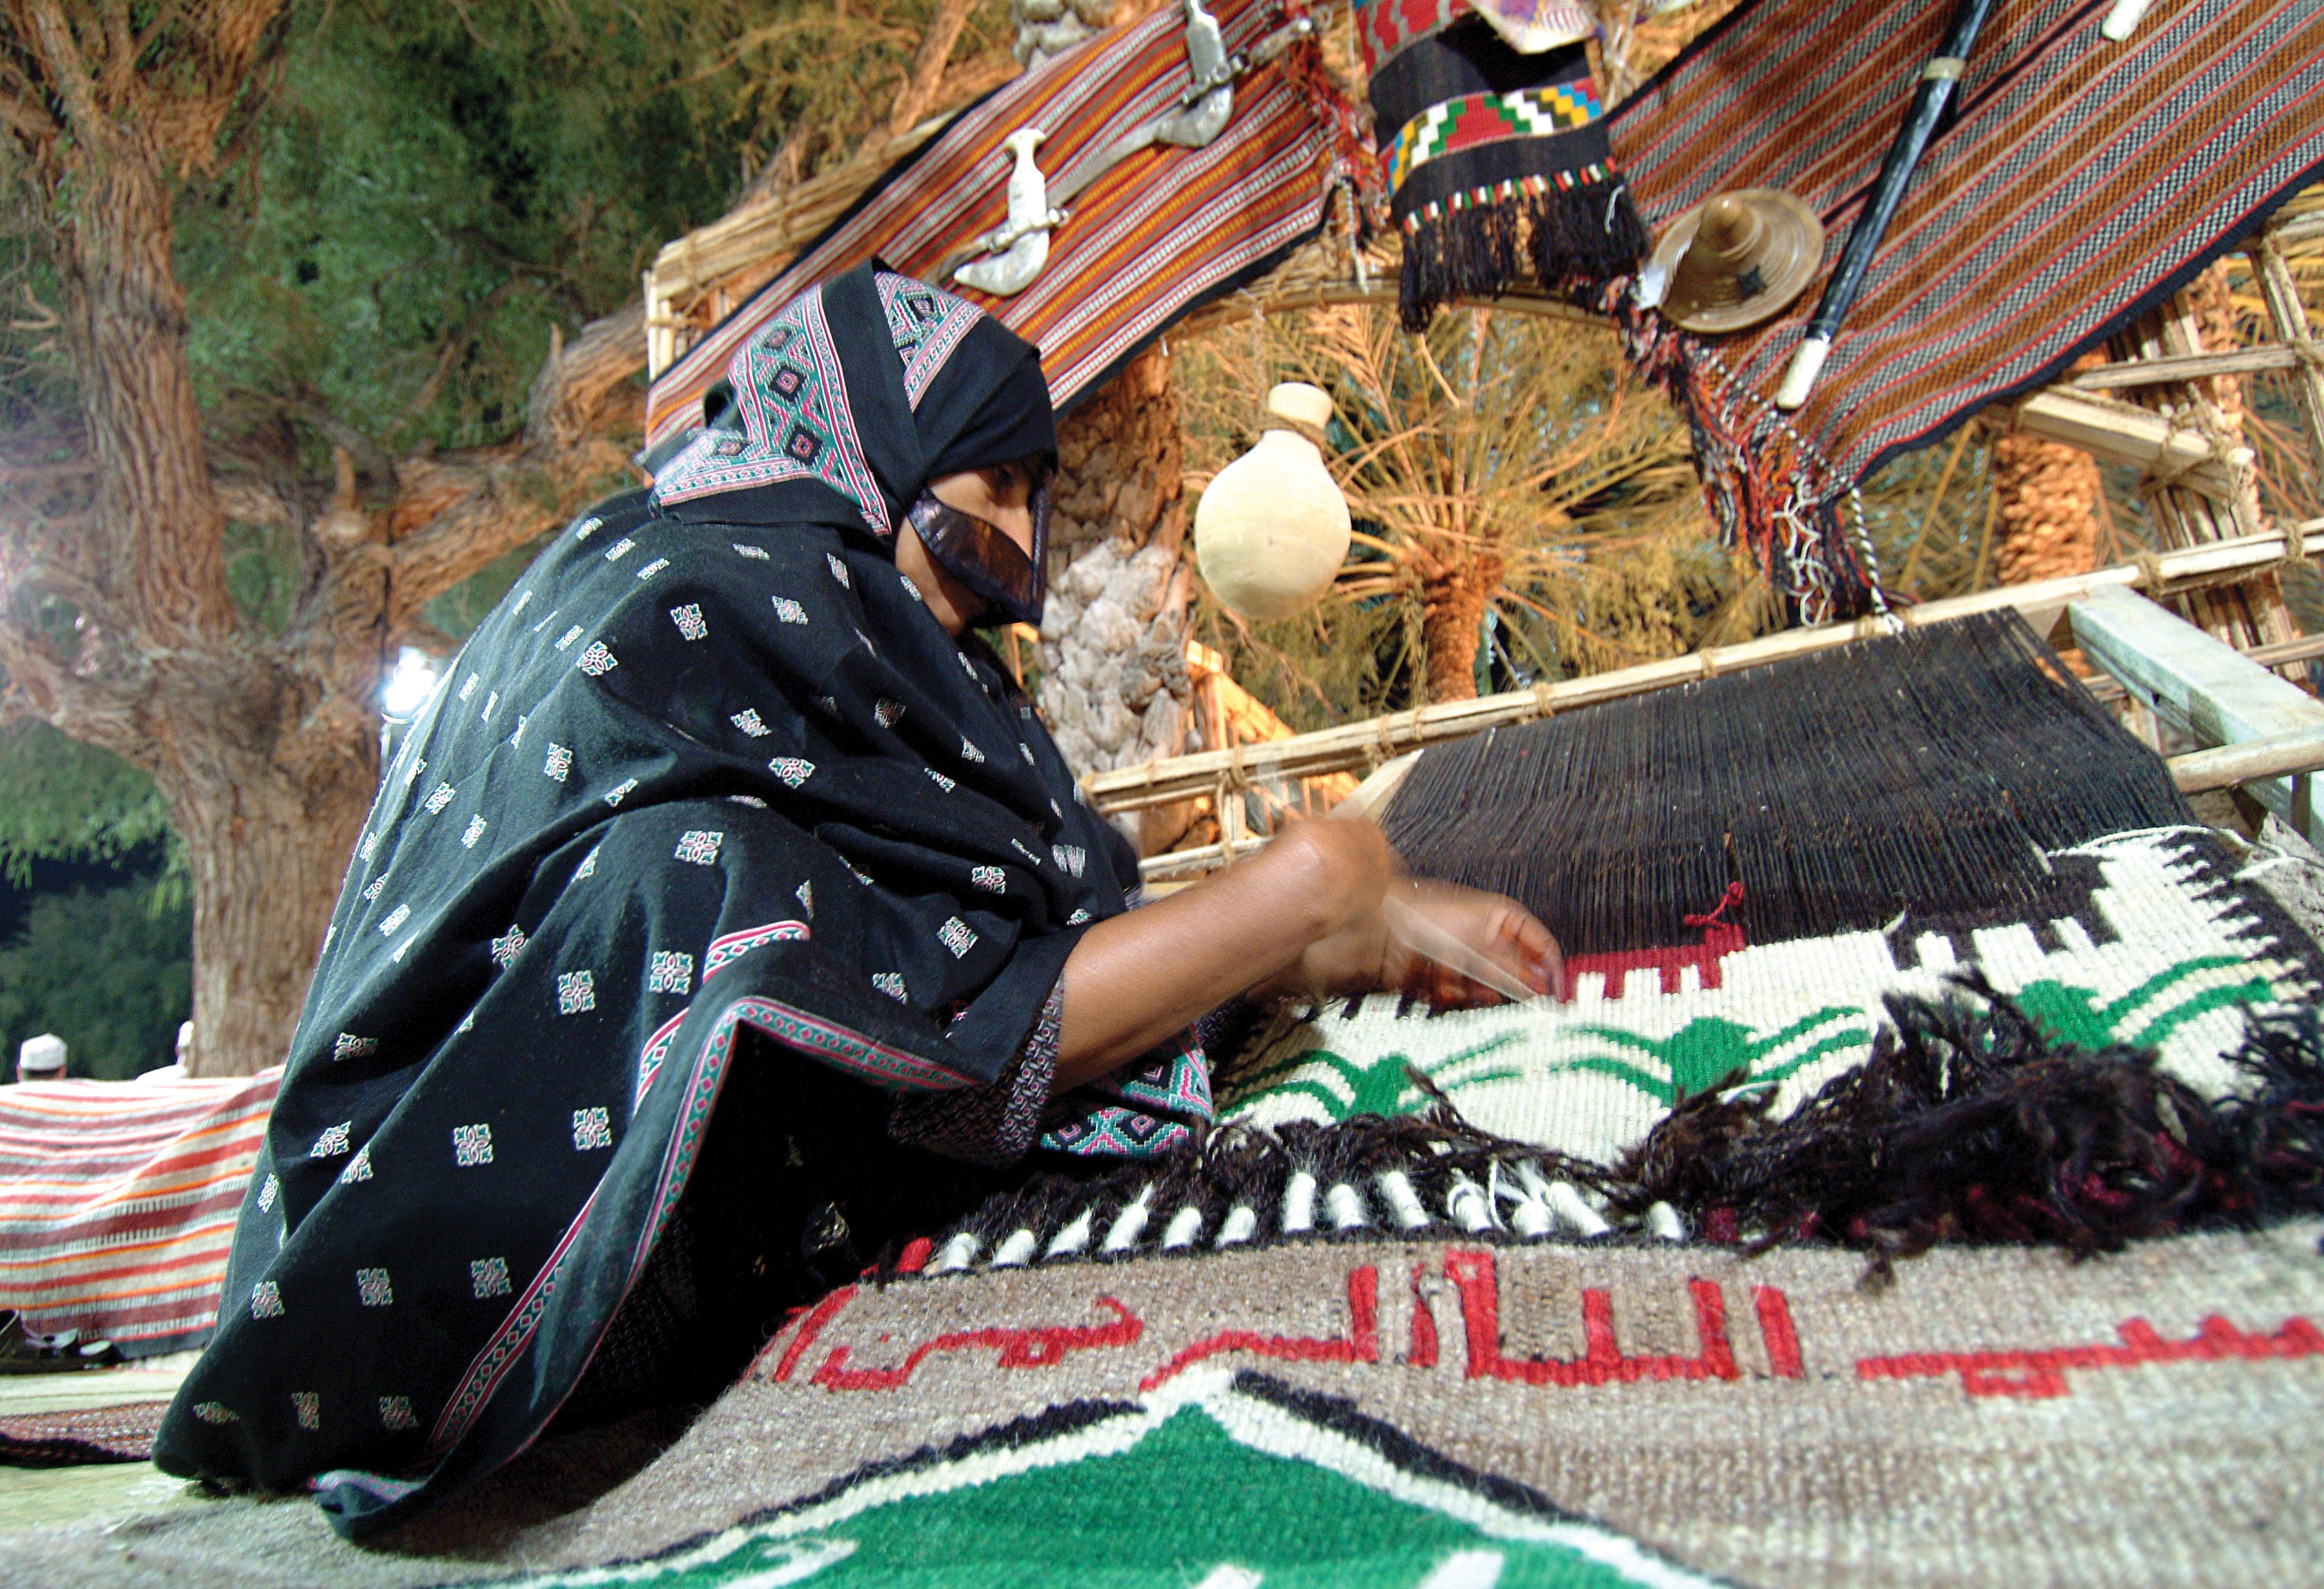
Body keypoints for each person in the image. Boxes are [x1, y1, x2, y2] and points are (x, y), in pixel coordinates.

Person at [154, 265, 1558, 1535]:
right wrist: (1301, 888)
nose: (1017, 550)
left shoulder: (808, 604)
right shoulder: (711, 592)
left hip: (552, 1197)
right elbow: (924, 987)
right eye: (991, 485)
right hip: (425, 1253)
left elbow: (970, 945)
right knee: (706, 877)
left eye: (1029, 497)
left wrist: (1331, 942)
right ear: (873, 456)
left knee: (752, 895)